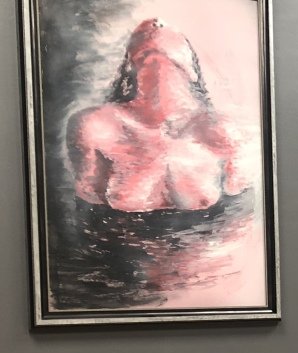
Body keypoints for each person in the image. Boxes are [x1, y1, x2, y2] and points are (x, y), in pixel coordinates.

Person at [66, 18, 248, 212]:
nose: (156, 26)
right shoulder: (95, 127)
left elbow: (243, 212)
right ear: (130, 67)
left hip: (212, 231)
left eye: (171, 62)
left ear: (192, 70)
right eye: (146, 57)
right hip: (116, 230)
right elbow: (86, 208)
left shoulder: (225, 132)